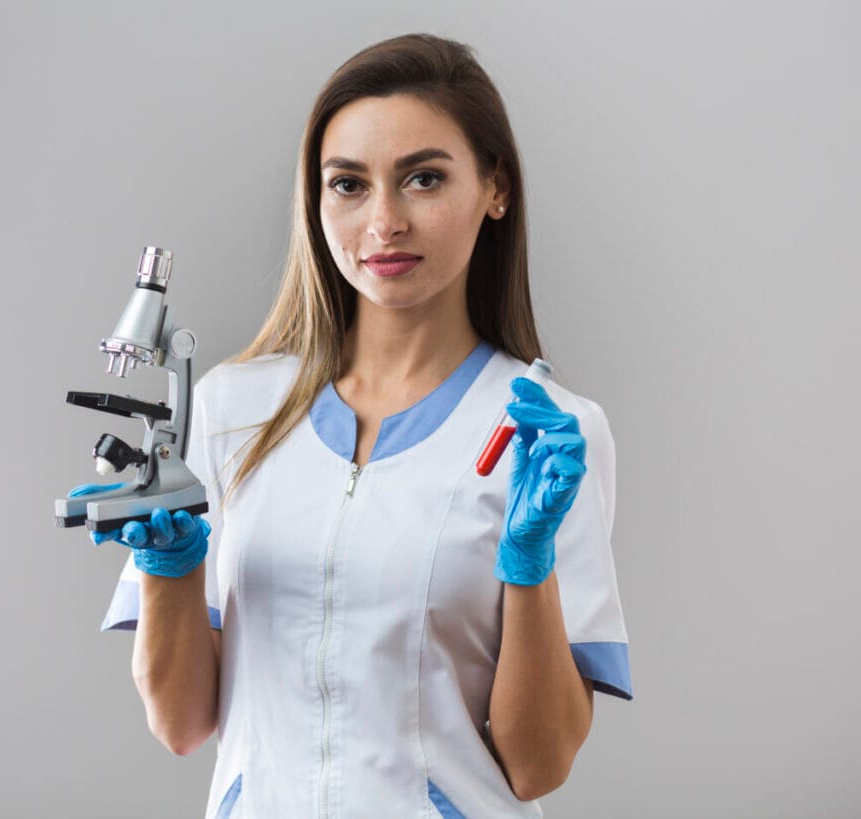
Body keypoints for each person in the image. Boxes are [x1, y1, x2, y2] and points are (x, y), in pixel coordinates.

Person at [87, 32, 632, 818]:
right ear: (315, 201)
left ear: (496, 188)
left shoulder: (545, 435)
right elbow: (181, 723)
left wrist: (529, 562)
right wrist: (170, 571)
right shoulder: (231, 410)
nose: (384, 222)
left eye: (423, 178)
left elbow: (537, 764)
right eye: (348, 184)